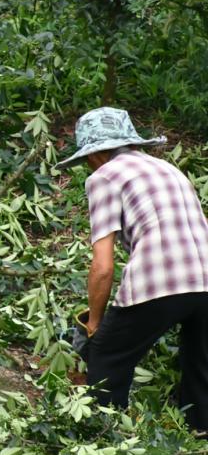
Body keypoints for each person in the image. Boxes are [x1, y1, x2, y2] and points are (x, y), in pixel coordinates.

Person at [56, 107, 208, 432]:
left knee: (107, 356)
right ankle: (200, 433)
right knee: (201, 365)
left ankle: (106, 436)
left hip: (160, 277)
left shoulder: (104, 177)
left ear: (95, 154)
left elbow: (103, 265)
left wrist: (94, 326)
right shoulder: (168, 168)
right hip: (205, 276)